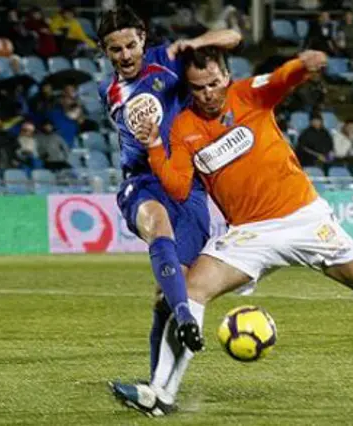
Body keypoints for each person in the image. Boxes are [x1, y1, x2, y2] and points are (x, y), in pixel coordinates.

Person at [114, 46, 353, 416]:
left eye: (213, 83)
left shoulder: (249, 94)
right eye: (197, 88)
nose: (207, 94)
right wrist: (155, 146)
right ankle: (161, 393)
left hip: (305, 220)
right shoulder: (183, 128)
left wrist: (301, 65)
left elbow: (280, 80)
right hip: (250, 234)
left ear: (226, 76)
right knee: (190, 289)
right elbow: (178, 187)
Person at [96, 5, 241, 396]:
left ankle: (157, 384)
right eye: (115, 49)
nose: (125, 55)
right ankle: (185, 318)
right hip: (141, 183)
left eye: (130, 45)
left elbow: (232, 38)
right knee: (156, 226)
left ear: (143, 38)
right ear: (105, 52)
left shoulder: (169, 61)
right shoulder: (107, 90)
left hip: (185, 185)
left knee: (166, 292)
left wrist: (193, 43)